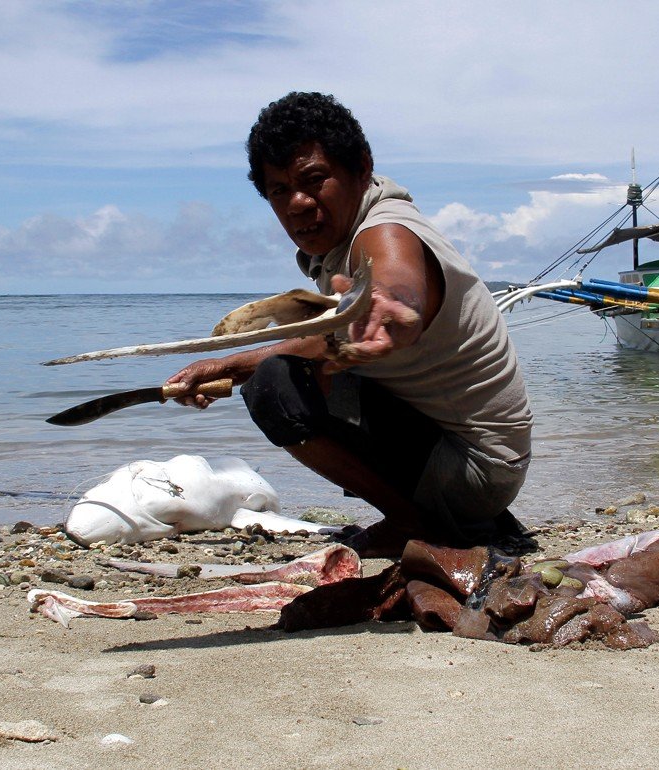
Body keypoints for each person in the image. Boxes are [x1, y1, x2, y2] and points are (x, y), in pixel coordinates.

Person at [166, 92, 533, 559]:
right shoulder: (342, 241)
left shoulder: (387, 230)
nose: (297, 203)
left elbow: (395, 281)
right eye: (279, 190)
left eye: (314, 180)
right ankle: (438, 518)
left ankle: (411, 525)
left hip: (473, 471)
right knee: (281, 364)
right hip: (471, 463)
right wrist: (231, 364)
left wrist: (388, 304)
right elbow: (320, 337)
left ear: (361, 168)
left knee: (275, 384)